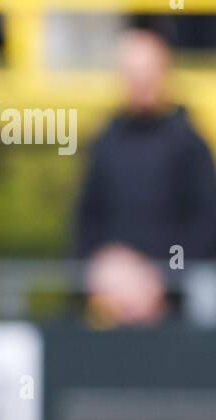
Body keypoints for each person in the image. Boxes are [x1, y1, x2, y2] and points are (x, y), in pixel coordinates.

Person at [74, 26, 216, 265]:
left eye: (147, 72)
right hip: (115, 284)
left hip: (177, 283)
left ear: (164, 73)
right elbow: (86, 220)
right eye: (133, 73)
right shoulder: (105, 142)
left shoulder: (189, 143)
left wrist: (163, 274)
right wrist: (103, 266)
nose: (141, 82)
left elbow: (205, 223)